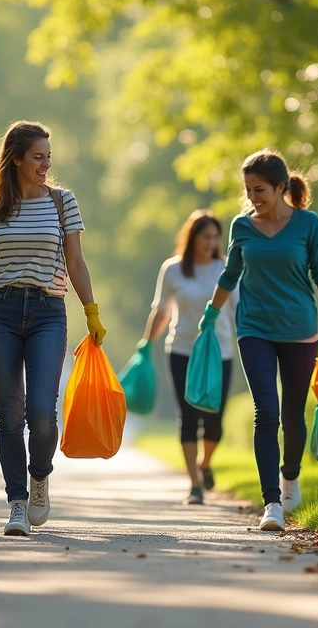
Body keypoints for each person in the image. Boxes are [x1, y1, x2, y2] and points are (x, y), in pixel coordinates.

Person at [0, 120, 106, 537]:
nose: (46, 164)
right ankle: (16, 503)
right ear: (16, 159)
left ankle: (39, 478)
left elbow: (76, 262)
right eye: (38, 156)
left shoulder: (62, 201)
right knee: (10, 415)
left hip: (49, 311)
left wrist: (91, 310)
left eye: (49, 156)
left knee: (42, 416)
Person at [200, 149, 318, 532]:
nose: (253, 197)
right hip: (254, 329)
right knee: (267, 412)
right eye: (248, 190)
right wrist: (211, 314)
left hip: (300, 330)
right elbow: (231, 274)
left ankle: (290, 477)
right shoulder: (241, 226)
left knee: (294, 415)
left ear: (282, 187)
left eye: (260, 189)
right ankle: (272, 504)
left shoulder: (308, 224)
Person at [140, 210, 238, 506]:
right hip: (182, 350)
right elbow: (161, 310)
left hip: (219, 352)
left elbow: (237, 308)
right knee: (188, 416)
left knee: (214, 421)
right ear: (192, 238)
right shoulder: (173, 270)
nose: (211, 242)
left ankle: (205, 462)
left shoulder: (226, 268)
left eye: (215, 237)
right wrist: (146, 344)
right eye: (205, 237)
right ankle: (195, 484)